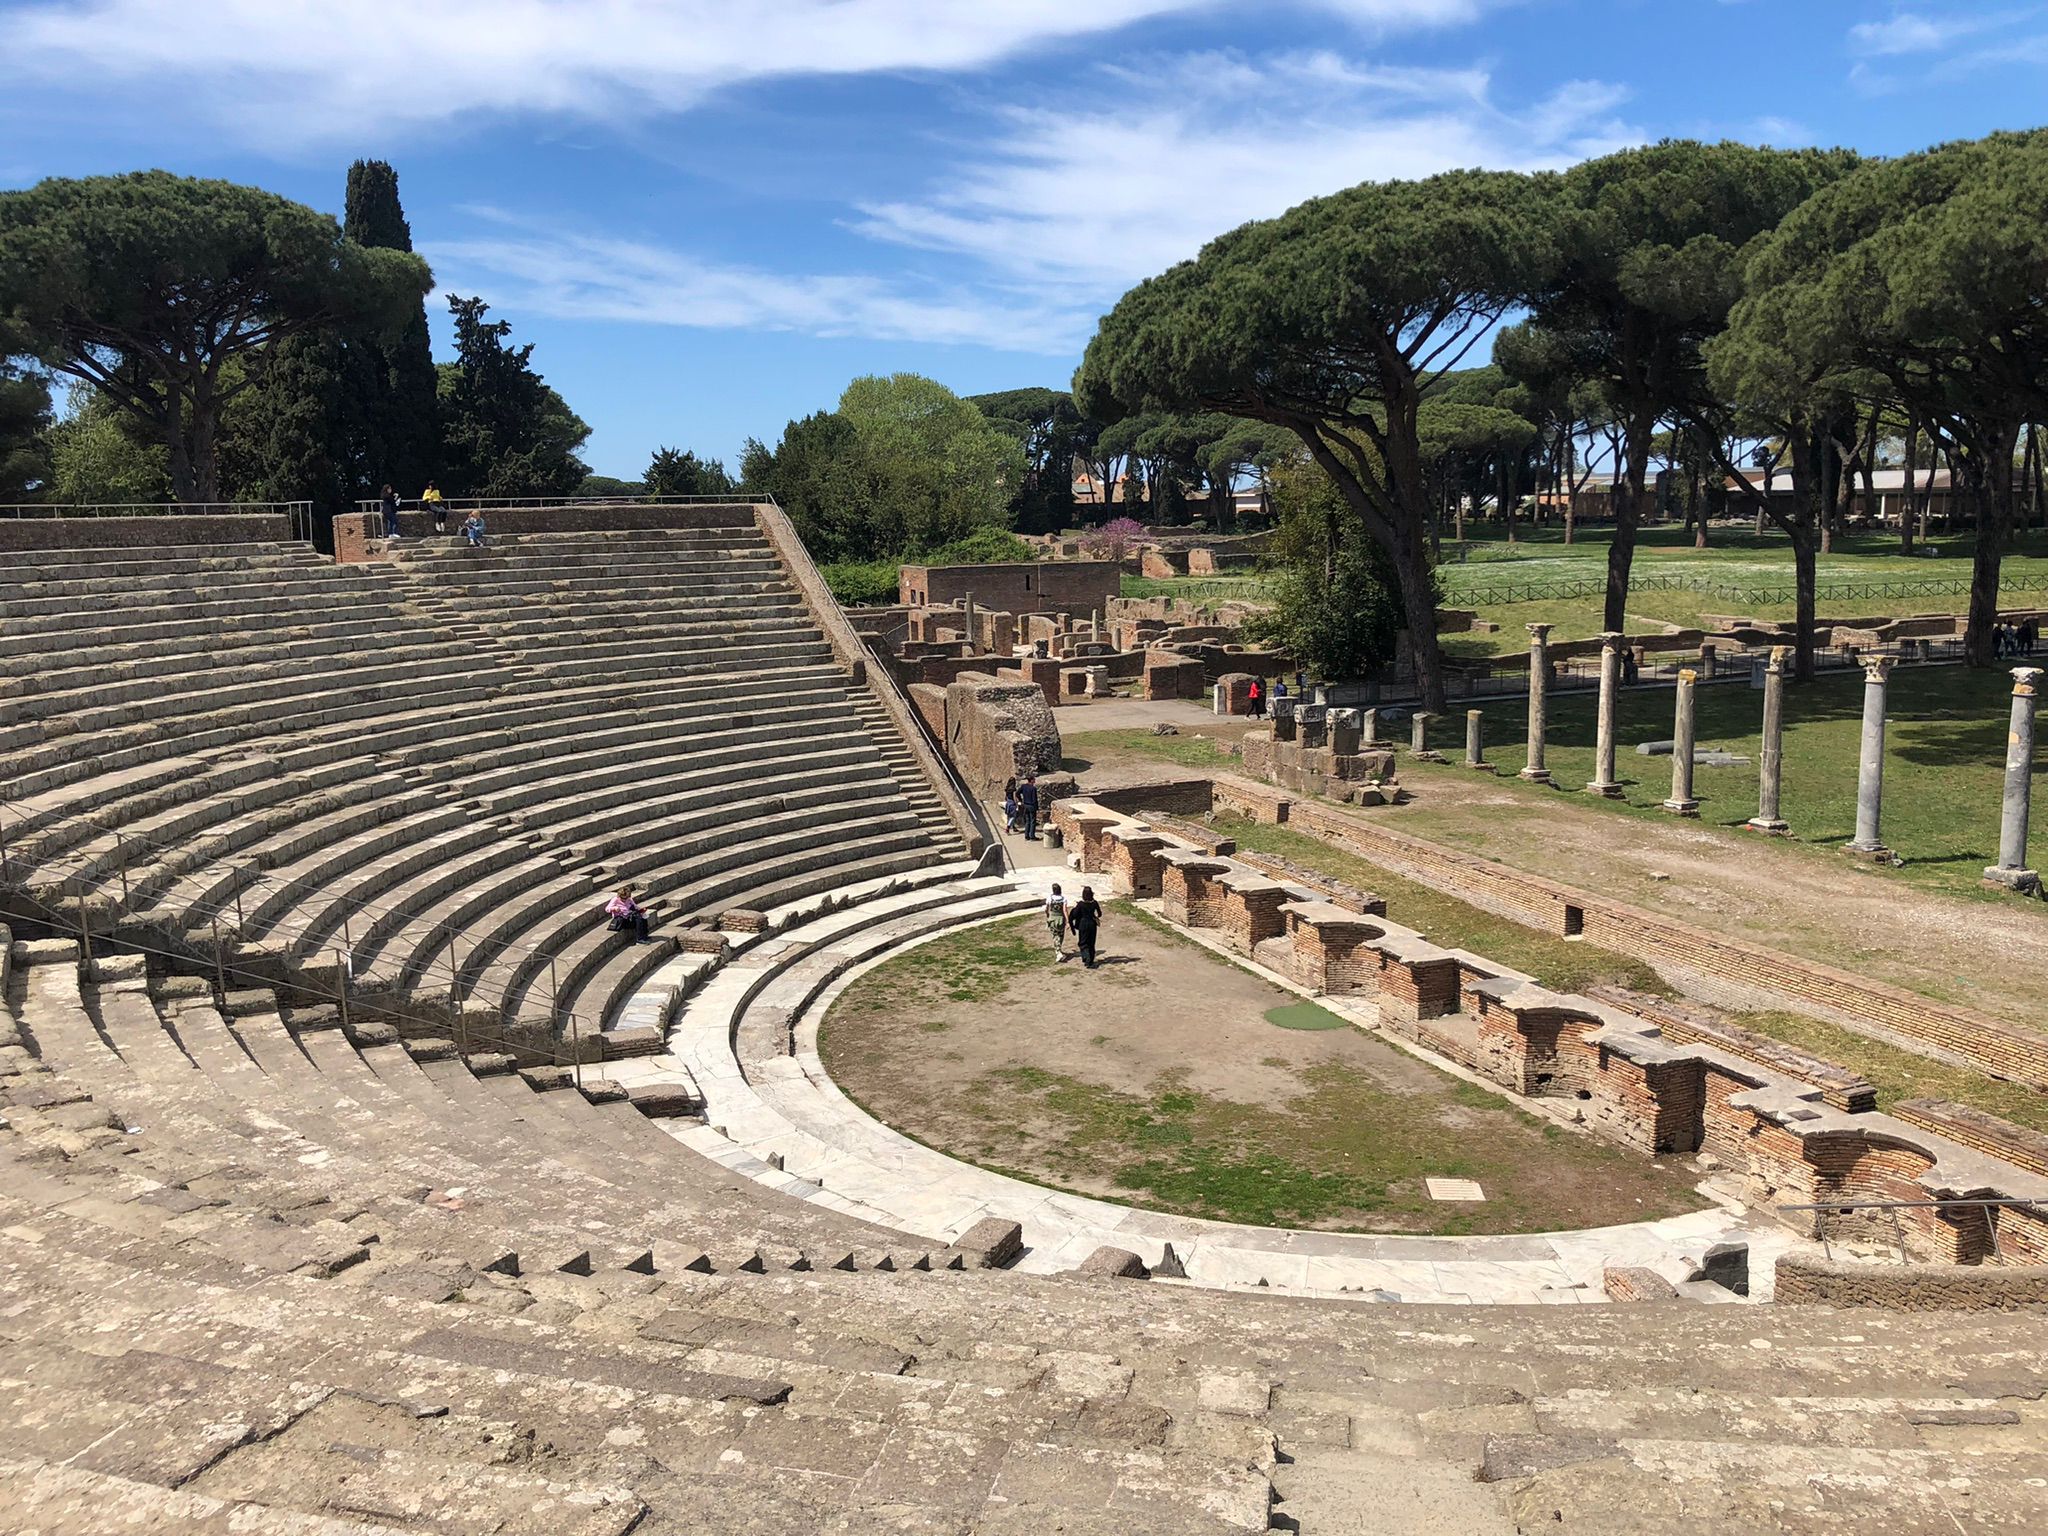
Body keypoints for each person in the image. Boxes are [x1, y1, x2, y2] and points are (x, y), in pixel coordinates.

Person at [1067, 886, 1102, 969]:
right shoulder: (1095, 903)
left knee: (1083, 943)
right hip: (1092, 924)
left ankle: (1087, 958)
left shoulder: (1081, 904)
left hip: (1083, 924)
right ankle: (1090, 960)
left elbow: (1075, 914)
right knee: (1091, 942)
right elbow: (1099, 914)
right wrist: (1094, 916)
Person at [1044, 882, 1069, 964]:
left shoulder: (1050, 898)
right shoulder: (1063, 899)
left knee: (1055, 935)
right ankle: (1059, 950)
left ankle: (1058, 952)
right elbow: (1065, 910)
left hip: (1053, 918)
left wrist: (1048, 915)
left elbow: (1046, 909)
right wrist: (1067, 920)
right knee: (1061, 935)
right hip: (1060, 918)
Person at [1017, 773, 1041, 841]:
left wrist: (1021, 800)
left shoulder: (1023, 786)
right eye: (1034, 779)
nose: (1035, 780)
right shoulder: (1033, 788)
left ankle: (1026, 836)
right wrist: (1037, 807)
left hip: (1025, 805)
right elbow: (1034, 799)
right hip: (1031, 806)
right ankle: (1032, 836)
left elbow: (1017, 793)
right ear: (1032, 780)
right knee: (1033, 821)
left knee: (1027, 821)